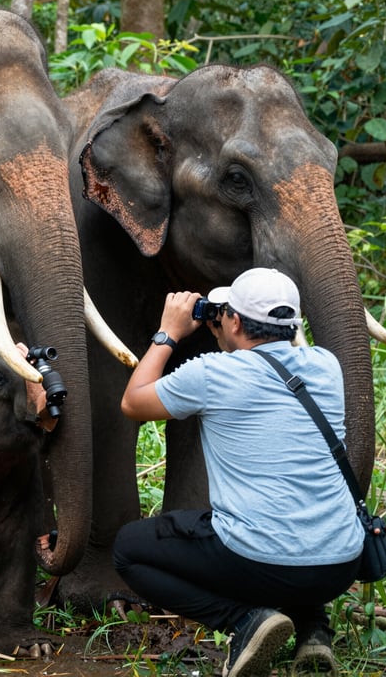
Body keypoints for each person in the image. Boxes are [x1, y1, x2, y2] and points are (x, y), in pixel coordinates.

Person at [113, 268, 364, 677]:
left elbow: (133, 403)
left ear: (231, 320)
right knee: (293, 521)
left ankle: (245, 621)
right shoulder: (326, 366)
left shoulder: (213, 373)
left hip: (259, 563)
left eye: (225, 313)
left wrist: (168, 333)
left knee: (129, 549)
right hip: (339, 564)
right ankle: (313, 631)